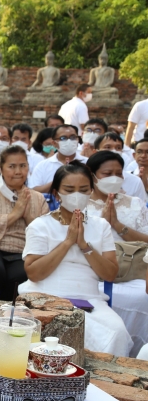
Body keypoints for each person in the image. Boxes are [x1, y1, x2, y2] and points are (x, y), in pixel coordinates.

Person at [20, 162, 132, 356]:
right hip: (45, 295)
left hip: (89, 300)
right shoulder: (40, 225)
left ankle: (103, 382)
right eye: (69, 190)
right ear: (56, 194)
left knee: (117, 332)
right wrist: (67, 242)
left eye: (83, 190)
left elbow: (110, 274)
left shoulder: (101, 226)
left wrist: (84, 245)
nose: (77, 196)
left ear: (91, 191)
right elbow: (34, 273)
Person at [85, 150, 148, 357]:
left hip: (134, 271)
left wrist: (118, 225)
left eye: (118, 173)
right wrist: (102, 224)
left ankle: (138, 354)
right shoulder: (80, 205)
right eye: (107, 173)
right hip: (93, 271)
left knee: (141, 297)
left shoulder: (134, 204)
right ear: (92, 175)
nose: (114, 178)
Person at [0, 146, 48, 301]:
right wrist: (14, 215)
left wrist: (28, 217)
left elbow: (46, 234)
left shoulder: (37, 197)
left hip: (23, 250)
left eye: (23, 166)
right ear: (1, 169)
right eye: (12, 166)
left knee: (19, 275)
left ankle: (6, 314)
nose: (18, 171)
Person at [28, 124, 87, 194]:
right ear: (54, 143)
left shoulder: (87, 162)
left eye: (73, 137)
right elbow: (33, 190)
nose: (69, 141)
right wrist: (60, 178)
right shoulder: (43, 165)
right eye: (63, 138)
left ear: (78, 139)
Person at [92, 132, 146, 202]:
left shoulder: (135, 181)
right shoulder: (87, 179)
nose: (114, 151)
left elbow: (142, 208)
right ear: (95, 152)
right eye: (108, 147)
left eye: (118, 148)